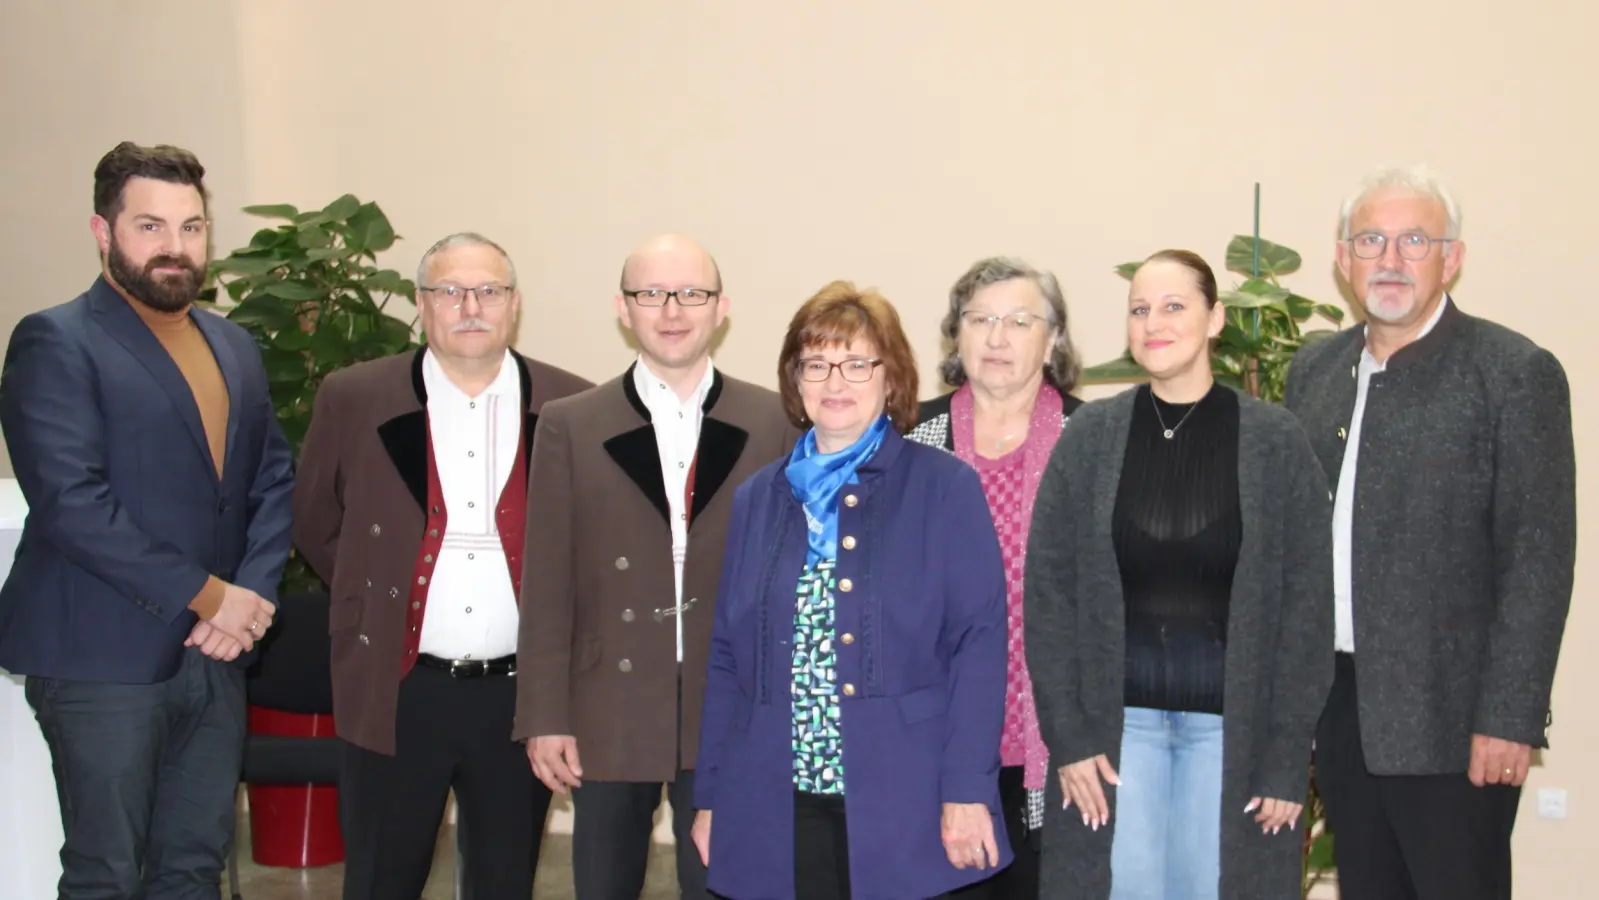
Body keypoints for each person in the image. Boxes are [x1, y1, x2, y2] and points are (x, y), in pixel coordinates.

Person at [0, 141, 293, 899]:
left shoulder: (232, 345)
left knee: (192, 868)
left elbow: (270, 479)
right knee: (107, 874)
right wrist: (211, 596)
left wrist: (250, 600)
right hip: (101, 657)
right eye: (151, 226)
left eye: (191, 227)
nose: (175, 246)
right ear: (104, 232)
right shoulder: (56, 340)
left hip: (217, 656)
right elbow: (72, 503)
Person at [1284, 165, 1576, 900]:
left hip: (1455, 719)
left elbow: (1537, 560)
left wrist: (1509, 718)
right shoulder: (1314, 371)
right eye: (1371, 240)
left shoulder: (1512, 373)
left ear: (1452, 259)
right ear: (1343, 258)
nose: (1390, 259)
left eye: (1414, 240)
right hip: (1341, 708)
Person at [1024, 250, 1334, 900]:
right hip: (1115, 736)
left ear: (1215, 318)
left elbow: (1307, 612)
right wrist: (1069, 738)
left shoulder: (1276, 443)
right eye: (1139, 309)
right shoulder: (1090, 438)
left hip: (1233, 738)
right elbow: (1048, 596)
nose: (1153, 323)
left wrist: (1286, 757)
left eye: (1173, 306)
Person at [292, 232, 591, 899]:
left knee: (504, 881)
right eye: (451, 291)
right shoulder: (355, 396)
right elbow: (314, 518)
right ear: (421, 303)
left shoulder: (571, 405)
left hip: (520, 698)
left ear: (514, 303)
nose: (471, 307)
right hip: (397, 689)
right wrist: (376, 595)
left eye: (489, 291)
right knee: (381, 880)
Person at [693, 280, 1012, 900]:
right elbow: (727, 657)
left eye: (857, 363)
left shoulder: (943, 487)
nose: (835, 381)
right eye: (816, 364)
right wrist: (710, 796)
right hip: (775, 797)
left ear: (891, 378)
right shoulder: (759, 497)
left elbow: (979, 646)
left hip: (907, 796)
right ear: (796, 381)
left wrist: (968, 788)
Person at [514, 233, 800, 900]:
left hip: (729, 701)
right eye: (651, 294)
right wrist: (544, 714)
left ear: (721, 307)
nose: (672, 311)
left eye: (691, 293)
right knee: (603, 883)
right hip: (606, 704)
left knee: (725, 884)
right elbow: (547, 580)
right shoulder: (570, 422)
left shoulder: (774, 420)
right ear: (623, 308)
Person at [908, 257, 1084, 899]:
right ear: (956, 334)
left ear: (1054, 338)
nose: (997, 337)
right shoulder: (911, 441)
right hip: (937, 736)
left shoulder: (1092, 438)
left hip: (1063, 735)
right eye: (980, 319)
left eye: (1019, 321)